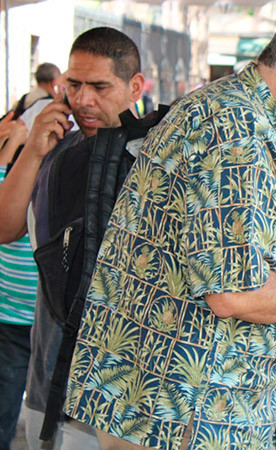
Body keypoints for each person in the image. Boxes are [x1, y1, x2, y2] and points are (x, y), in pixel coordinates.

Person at [63, 3, 276, 449]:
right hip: (178, 417)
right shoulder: (233, 130)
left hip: (177, 410)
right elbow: (234, 292)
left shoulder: (241, 116)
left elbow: (209, 241)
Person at [0, 26, 151, 450]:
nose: (84, 99)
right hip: (48, 380)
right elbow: (5, 227)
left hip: (123, 399)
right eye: (74, 84)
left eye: (100, 86)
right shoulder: (54, 151)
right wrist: (31, 151)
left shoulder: (157, 157)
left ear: (134, 86)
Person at [0, 118, 34, 450]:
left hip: (40, 322)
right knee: (5, 407)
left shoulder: (46, 174)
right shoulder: (9, 180)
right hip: (10, 319)